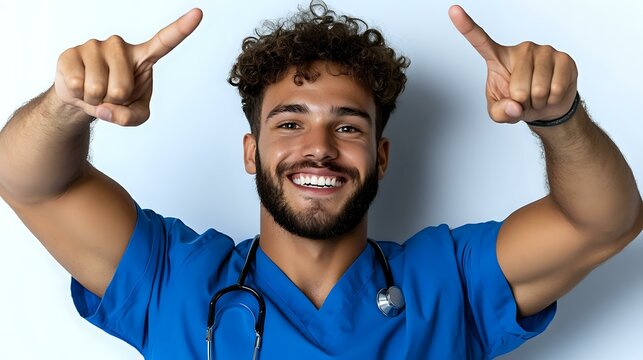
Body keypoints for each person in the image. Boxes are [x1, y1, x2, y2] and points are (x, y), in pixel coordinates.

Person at [0, 1, 641, 359]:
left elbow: (603, 222)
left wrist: (558, 117)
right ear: (251, 151)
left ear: (382, 156)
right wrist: (68, 102)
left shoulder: (452, 282)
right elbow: (31, 183)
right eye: (289, 123)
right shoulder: (175, 280)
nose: (319, 149)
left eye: (348, 127)